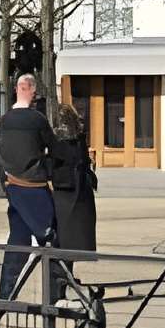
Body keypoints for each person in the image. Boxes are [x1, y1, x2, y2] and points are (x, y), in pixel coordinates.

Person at [0, 75, 58, 297]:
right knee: (52, 239)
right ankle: (56, 292)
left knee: (18, 238)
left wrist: (6, 181)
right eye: (34, 91)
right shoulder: (37, 120)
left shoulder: (4, 121)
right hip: (34, 185)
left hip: (13, 185)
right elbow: (53, 147)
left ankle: (5, 293)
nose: (35, 95)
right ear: (29, 89)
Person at [51, 97, 98, 257]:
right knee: (73, 239)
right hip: (80, 190)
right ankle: (66, 267)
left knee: (61, 239)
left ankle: (59, 270)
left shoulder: (57, 141)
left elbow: (53, 164)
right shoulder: (79, 139)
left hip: (64, 189)